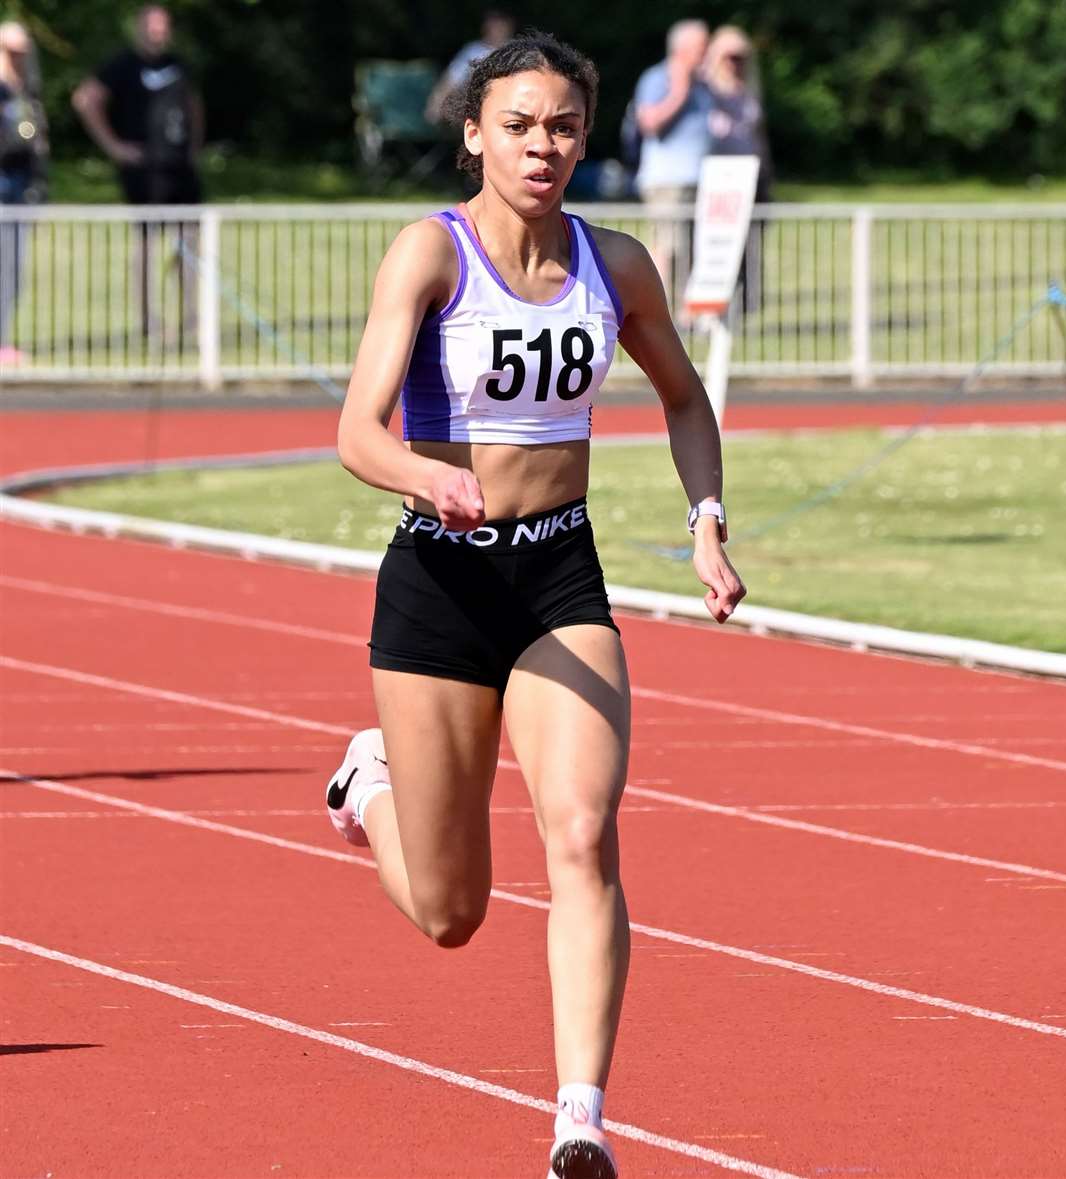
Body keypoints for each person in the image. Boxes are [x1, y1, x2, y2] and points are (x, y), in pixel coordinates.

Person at [327, 30, 745, 1179]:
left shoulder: (617, 265)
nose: (542, 145)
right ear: (474, 134)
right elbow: (359, 432)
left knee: (582, 834)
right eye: (518, 124)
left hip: (562, 578)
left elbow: (685, 398)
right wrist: (428, 475)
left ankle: (579, 1119)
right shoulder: (430, 254)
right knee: (452, 912)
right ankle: (372, 786)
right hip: (440, 586)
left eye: (562, 125)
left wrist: (707, 520)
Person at [71, 4, 203, 340]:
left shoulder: (178, 65)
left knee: (190, 241)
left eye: (163, 26)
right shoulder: (121, 65)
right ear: (139, 28)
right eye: (152, 25)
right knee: (146, 244)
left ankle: (191, 319)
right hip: (144, 170)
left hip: (180, 167)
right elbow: (84, 99)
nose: (158, 32)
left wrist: (194, 148)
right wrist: (114, 147)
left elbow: (193, 105)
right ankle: (149, 323)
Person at [631, 20, 712, 299]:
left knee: (692, 251)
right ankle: (660, 311)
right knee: (670, 249)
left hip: (702, 181)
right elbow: (649, 123)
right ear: (683, 49)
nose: (707, 52)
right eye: (703, 46)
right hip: (668, 183)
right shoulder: (657, 78)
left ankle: (686, 312)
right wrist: (680, 92)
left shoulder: (705, 84)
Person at [703, 25, 772, 315]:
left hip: (752, 176)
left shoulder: (749, 92)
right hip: (719, 181)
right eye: (729, 57)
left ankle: (748, 303)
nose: (734, 63)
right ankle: (712, 305)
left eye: (740, 57)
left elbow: (758, 135)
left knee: (752, 242)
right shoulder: (706, 92)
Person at [0, 20, 48, 367]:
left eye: (22, 54)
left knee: (12, 268)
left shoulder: (27, 92)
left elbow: (34, 141)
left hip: (21, 187)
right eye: (9, 53)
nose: (17, 60)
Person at [425, 9, 515, 126]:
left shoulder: (517, 51)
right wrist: (435, 105)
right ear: (485, 27)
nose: (497, 29)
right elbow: (451, 80)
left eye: (501, 24)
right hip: (478, 108)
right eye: (493, 24)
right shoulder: (472, 51)